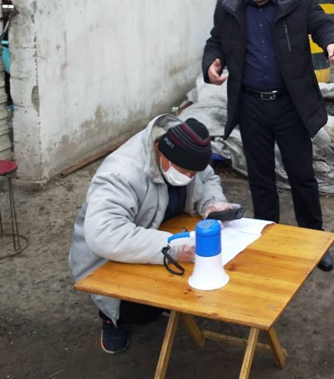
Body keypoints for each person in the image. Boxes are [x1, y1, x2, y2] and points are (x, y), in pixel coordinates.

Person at [202, 0, 334, 272]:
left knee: (302, 176)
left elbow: (324, 25)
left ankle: (313, 241)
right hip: (250, 105)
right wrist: (212, 60)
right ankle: (266, 238)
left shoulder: (300, 3)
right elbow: (216, 40)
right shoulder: (228, 7)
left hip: (290, 105)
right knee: (260, 178)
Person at [69, 115, 235, 354]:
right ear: (163, 155)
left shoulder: (185, 149)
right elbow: (104, 235)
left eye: (193, 173)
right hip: (109, 255)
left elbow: (206, 177)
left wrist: (212, 203)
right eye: (185, 172)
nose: (190, 178)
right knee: (141, 312)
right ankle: (110, 318)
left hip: (160, 229)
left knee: (187, 280)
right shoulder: (121, 173)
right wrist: (173, 248)